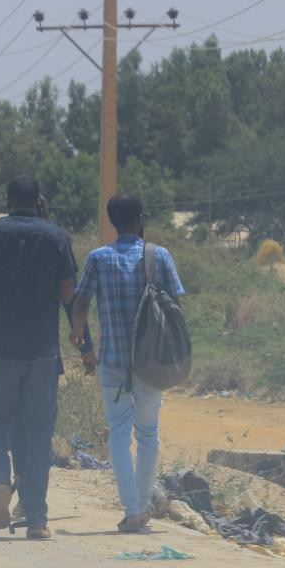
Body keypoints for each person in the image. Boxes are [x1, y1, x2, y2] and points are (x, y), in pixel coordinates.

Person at [0, 175, 80, 540]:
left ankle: (0, 480)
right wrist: (83, 342)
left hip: (2, 349)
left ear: (7, 201)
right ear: (37, 199)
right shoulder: (56, 237)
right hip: (42, 350)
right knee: (39, 431)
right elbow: (68, 292)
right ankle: (38, 519)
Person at [70, 194, 185, 533]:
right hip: (152, 362)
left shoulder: (98, 258)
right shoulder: (160, 257)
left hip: (113, 360)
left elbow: (81, 302)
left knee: (119, 434)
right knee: (148, 434)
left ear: (112, 222)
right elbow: (175, 307)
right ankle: (142, 504)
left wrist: (79, 334)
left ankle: (132, 510)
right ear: (141, 219)